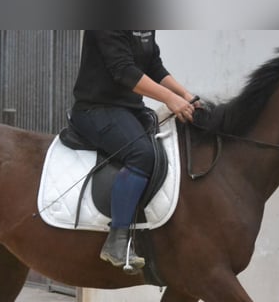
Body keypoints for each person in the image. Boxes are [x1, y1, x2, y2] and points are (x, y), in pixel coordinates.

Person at [69, 30, 198, 272]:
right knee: (142, 154)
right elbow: (123, 71)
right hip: (96, 109)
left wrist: (185, 95)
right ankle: (116, 241)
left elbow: (153, 65)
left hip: (130, 109)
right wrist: (170, 99)